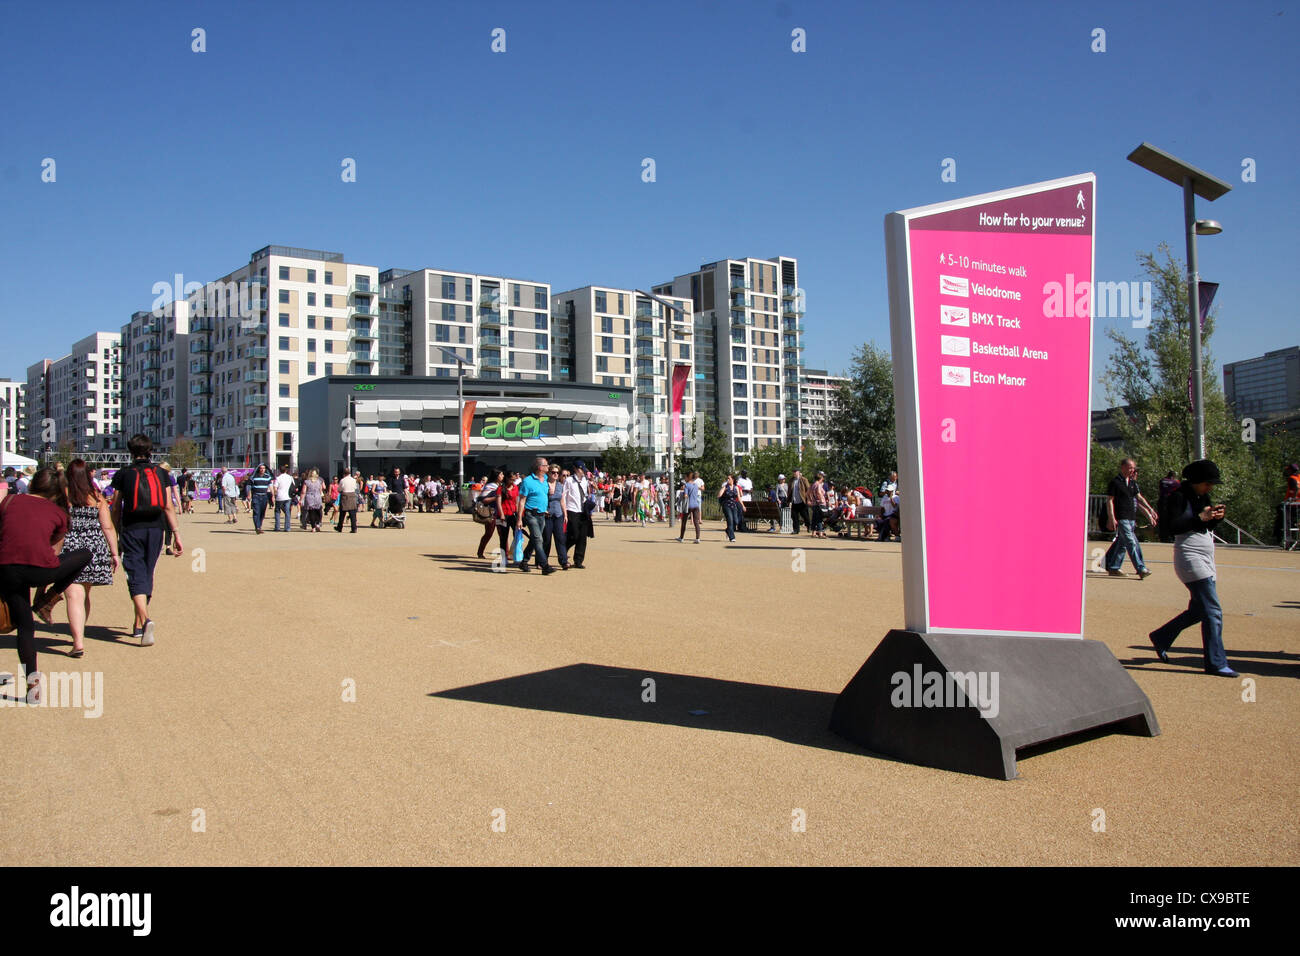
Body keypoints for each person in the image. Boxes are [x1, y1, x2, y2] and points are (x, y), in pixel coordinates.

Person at [0, 468, 92, 698]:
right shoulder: (59, 513)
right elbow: (53, 552)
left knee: (25, 627)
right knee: (84, 554)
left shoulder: (9, 501)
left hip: (8, 569)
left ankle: (33, 685)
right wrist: (45, 588)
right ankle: (50, 598)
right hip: (41, 571)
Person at [1148, 459, 1237, 677]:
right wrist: (1200, 517)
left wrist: (1215, 519)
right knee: (1213, 611)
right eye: (1207, 483)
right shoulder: (1178, 497)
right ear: (1196, 481)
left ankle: (1162, 637)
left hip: (1205, 557)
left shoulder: (1202, 496)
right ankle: (1216, 663)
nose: (1211, 487)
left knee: (1199, 610)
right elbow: (1172, 528)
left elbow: (1202, 525)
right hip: (1189, 557)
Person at [110, 434, 182, 646]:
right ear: (151, 450)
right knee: (147, 573)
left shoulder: (123, 474)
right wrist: (176, 534)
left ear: (130, 452)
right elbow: (168, 505)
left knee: (135, 573)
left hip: (132, 528)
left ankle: (145, 619)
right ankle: (138, 623)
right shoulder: (161, 473)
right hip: (156, 529)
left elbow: (116, 507)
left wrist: (115, 532)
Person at [49, 460, 119, 658]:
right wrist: (114, 553)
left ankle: (78, 642)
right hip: (94, 549)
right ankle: (79, 636)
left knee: (73, 595)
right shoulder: (97, 497)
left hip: (69, 547)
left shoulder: (63, 497)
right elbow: (107, 527)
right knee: (85, 594)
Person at [1104, 458, 1157, 578]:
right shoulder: (1115, 482)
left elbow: (1139, 498)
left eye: (1133, 468)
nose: (1131, 470)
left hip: (1131, 518)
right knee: (1131, 542)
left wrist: (1150, 509)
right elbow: (1110, 501)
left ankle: (1113, 567)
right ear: (1122, 467)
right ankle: (1140, 568)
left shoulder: (1132, 483)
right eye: (1129, 467)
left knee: (1123, 543)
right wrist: (1111, 517)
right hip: (1121, 517)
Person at [516, 457, 557, 574]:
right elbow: (522, 500)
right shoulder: (528, 481)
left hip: (542, 514)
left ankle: (524, 561)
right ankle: (545, 565)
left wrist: (545, 509)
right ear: (540, 468)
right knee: (539, 539)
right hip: (531, 514)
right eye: (546, 465)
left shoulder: (545, 480)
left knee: (534, 540)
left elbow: (544, 497)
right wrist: (519, 519)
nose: (548, 467)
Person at [563, 462, 592, 569]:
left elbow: (585, 495)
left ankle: (578, 560)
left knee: (582, 537)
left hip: (583, 511)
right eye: (581, 469)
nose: (583, 471)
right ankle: (563, 551)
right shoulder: (569, 480)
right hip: (572, 510)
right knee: (574, 535)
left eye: (583, 469)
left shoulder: (585, 481)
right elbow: (564, 496)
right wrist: (564, 512)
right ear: (575, 469)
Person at [544, 463, 570, 570]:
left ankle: (563, 561)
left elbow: (562, 500)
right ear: (549, 473)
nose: (555, 474)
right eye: (553, 472)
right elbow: (541, 499)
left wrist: (565, 514)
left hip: (558, 514)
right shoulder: (544, 485)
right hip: (547, 515)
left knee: (560, 538)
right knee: (546, 539)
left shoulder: (560, 485)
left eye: (557, 473)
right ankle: (543, 561)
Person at [475, 469, 506, 560]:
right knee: (489, 533)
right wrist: (496, 498)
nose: (503, 476)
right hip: (491, 513)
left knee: (503, 534)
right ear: (497, 476)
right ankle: (480, 552)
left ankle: (505, 553)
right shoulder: (490, 486)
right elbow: (483, 499)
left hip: (501, 513)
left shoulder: (501, 485)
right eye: (501, 474)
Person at [677, 471, 703, 543]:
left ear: (688, 477)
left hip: (688, 505)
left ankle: (681, 537)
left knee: (684, 522)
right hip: (696, 505)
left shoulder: (687, 485)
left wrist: (682, 494)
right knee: (696, 522)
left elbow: (686, 495)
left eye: (685, 477)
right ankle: (697, 538)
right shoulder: (696, 485)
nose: (685, 478)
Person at [718, 474, 744, 543]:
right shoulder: (725, 487)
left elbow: (739, 497)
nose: (727, 480)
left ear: (733, 479)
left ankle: (727, 530)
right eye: (727, 479)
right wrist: (723, 489)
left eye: (729, 479)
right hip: (726, 506)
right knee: (730, 520)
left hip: (733, 505)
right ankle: (732, 537)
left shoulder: (736, 487)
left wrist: (743, 506)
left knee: (736, 521)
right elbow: (719, 495)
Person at [248, 464, 272, 533]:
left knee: (262, 513)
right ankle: (257, 527)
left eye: (263, 468)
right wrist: (249, 495)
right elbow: (249, 486)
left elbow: (270, 486)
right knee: (256, 512)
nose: (262, 469)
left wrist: (272, 495)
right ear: (258, 469)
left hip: (264, 496)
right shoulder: (253, 477)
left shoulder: (268, 477)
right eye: (261, 468)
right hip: (256, 496)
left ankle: (259, 525)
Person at [273, 464, 295, 532]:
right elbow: (293, 486)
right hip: (287, 496)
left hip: (279, 496)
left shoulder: (278, 478)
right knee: (287, 512)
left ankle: (277, 527)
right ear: (286, 470)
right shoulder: (290, 477)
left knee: (277, 511)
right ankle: (287, 527)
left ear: (279, 470)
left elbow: (275, 488)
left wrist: (274, 495)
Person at [790, 469, 811, 535]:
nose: (794, 473)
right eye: (793, 472)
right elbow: (789, 491)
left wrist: (809, 499)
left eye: (796, 472)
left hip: (802, 501)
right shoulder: (791, 480)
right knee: (794, 516)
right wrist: (789, 500)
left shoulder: (804, 479)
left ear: (799, 472)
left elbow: (808, 489)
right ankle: (796, 530)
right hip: (794, 501)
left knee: (805, 515)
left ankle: (809, 526)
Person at [809, 471, 829, 538]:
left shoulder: (812, 485)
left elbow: (808, 493)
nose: (823, 479)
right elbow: (819, 492)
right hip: (819, 504)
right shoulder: (819, 485)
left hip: (814, 503)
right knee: (819, 519)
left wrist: (811, 499)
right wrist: (821, 500)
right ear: (820, 478)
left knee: (814, 518)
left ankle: (813, 533)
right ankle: (820, 533)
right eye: (822, 477)